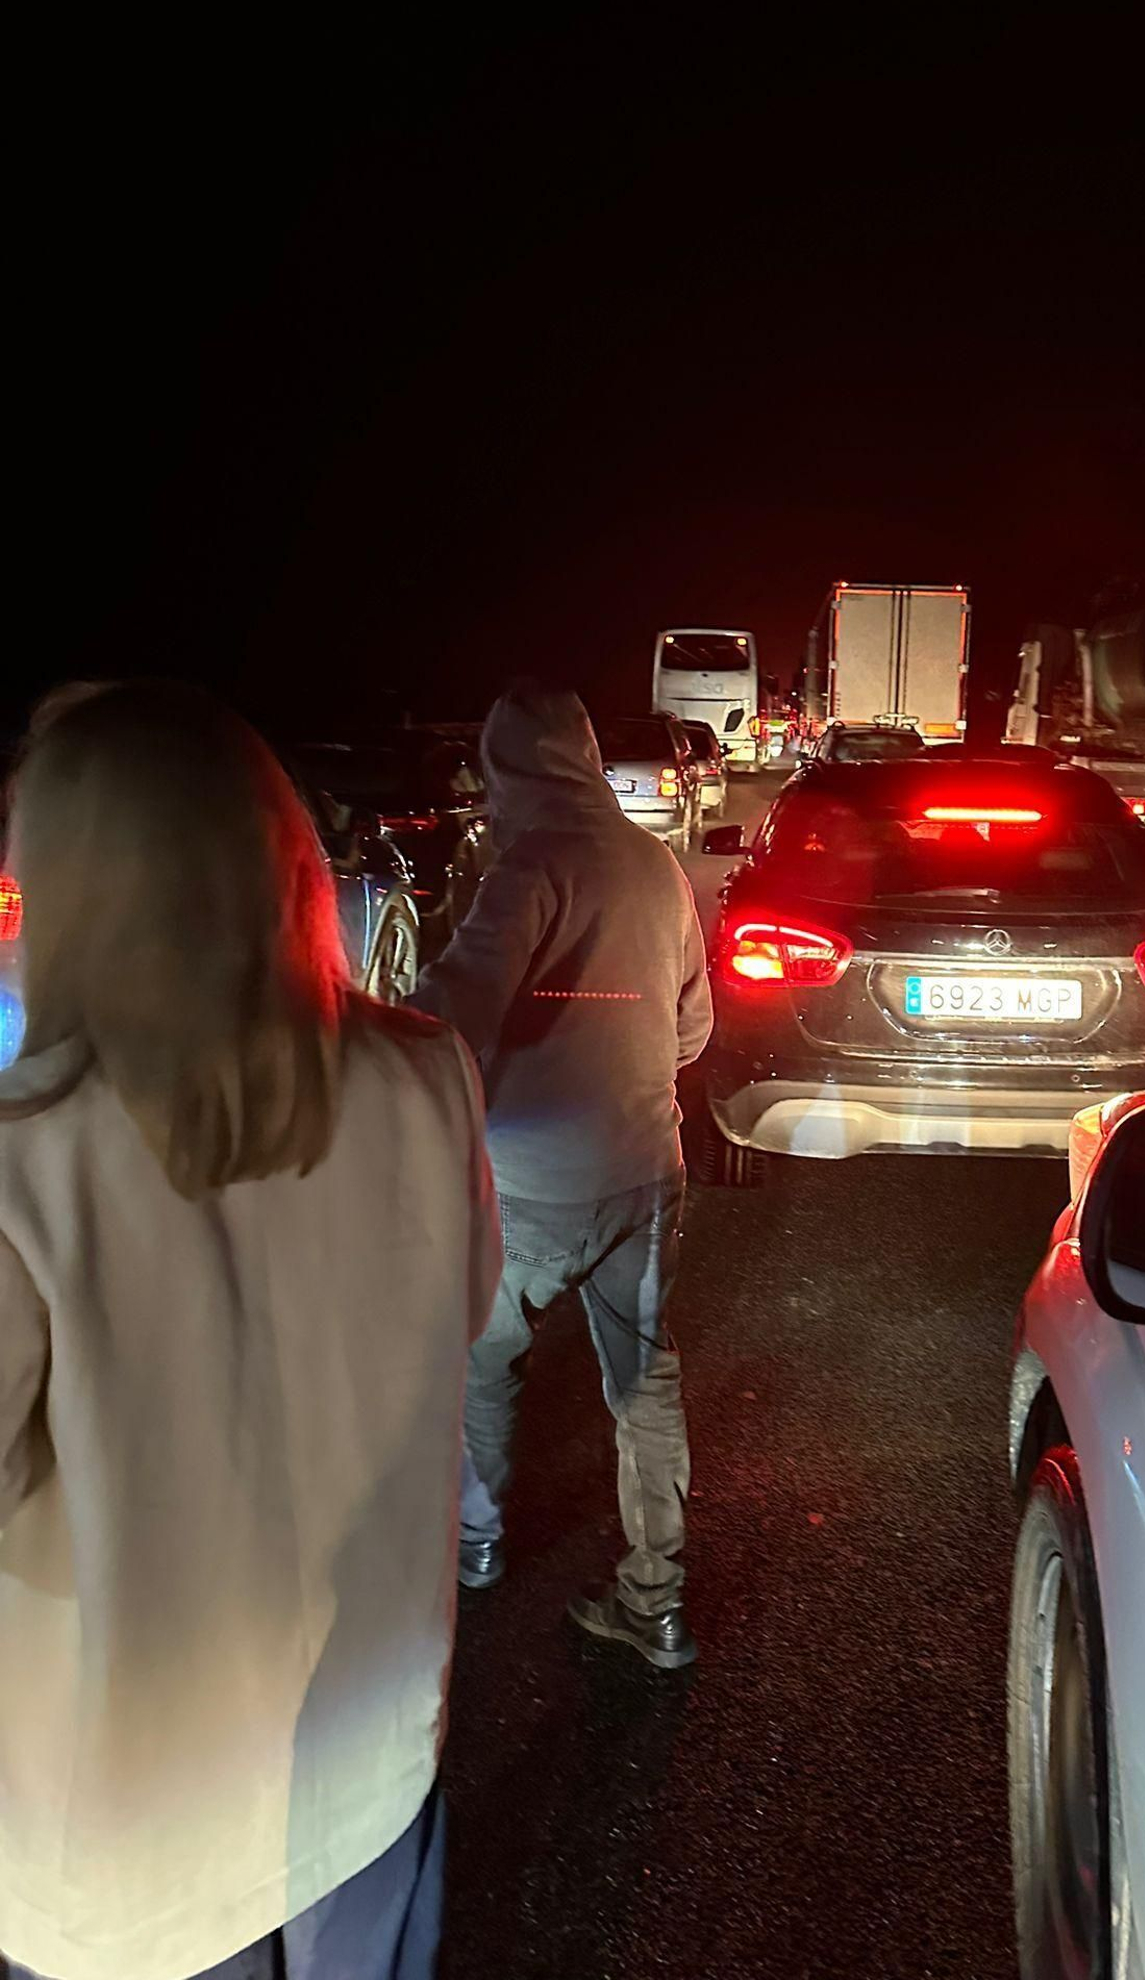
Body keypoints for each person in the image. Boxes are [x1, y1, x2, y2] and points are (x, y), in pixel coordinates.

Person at [0, 683, 501, 1980]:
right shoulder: (426, 1073)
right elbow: (465, 1306)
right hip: (365, 1766)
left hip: (130, 1843)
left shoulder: (27, 1158)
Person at [416, 680, 711, 1670]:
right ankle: (656, 1604)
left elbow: (453, 1012)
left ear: (507, 770)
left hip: (527, 1185)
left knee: (485, 1366)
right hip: (644, 1175)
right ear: (585, 758)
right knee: (645, 1382)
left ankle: (479, 1549)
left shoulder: (527, 865)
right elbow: (694, 1027)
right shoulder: (656, 865)